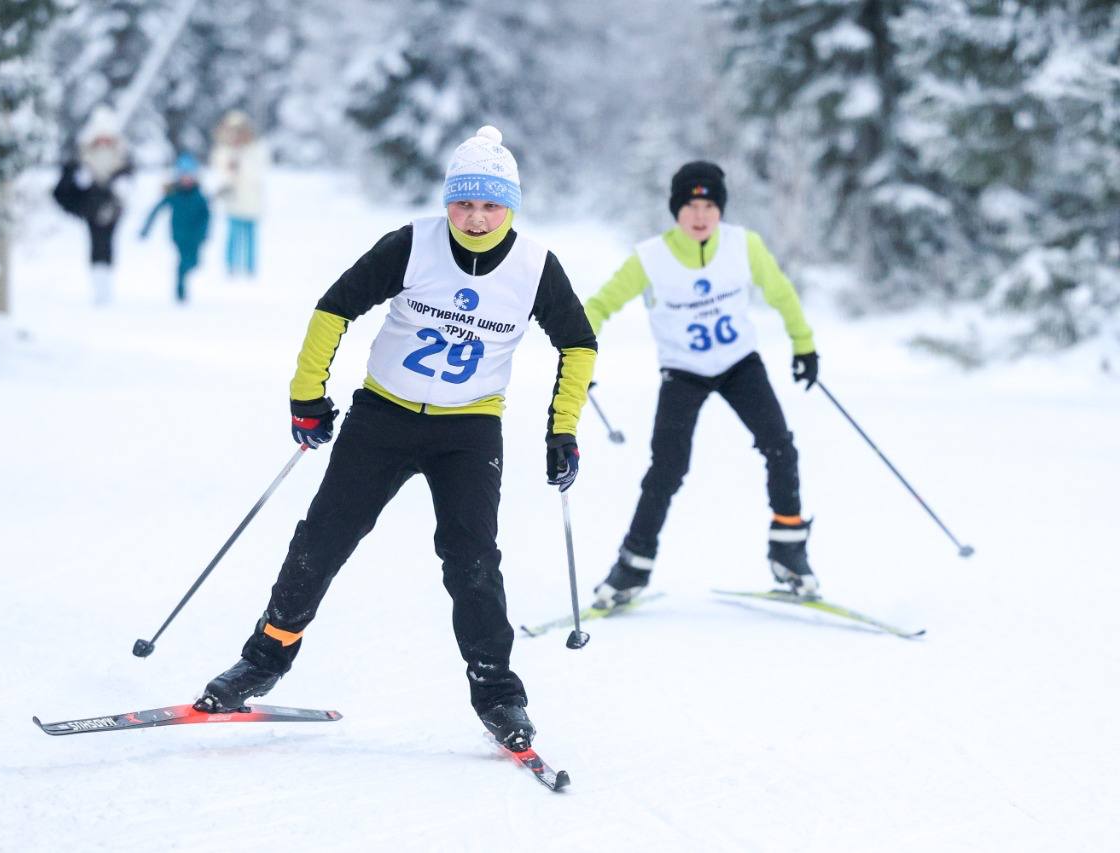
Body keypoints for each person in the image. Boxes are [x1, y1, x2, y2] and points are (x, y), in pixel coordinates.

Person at [194, 126, 597, 751]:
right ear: (447, 202)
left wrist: (562, 429)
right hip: (383, 415)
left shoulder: (535, 266)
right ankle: (265, 658)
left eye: (491, 204)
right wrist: (307, 394)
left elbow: (579, 343)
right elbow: (334, 308)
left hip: (468, 427)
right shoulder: (412, 244)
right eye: (464, 202)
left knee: (472, 561)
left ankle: (499, 693)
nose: (476, 217)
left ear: (510, 206)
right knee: (322, 539)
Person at [586, 161, 821, 606]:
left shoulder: (743, 245)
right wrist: (578, 354)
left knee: (781, 447)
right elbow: (597, 307)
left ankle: (789, 552)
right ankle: (631, 567)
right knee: (668, 469)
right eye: (691, 205)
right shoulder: (649, 258)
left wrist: (804, 345)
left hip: (739, 366)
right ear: (676, 209)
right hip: (683, 373)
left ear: (720, 209)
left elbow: (781, 292)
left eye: (709, 205)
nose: (700, 215)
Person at [52, 105, 131, 305]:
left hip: (112, 206)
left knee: (107, 243)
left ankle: (106, 281)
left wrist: (118, 189)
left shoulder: (120, 155)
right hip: (91, 206)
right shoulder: (84, 155)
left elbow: (126, 179)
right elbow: (71, 183)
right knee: (96, 242)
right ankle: (98, 283)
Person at [139, 153, 211, 303]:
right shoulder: (174, 194)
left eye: (189, 175)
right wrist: (146, 228)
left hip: (195, 235)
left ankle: (183, 277)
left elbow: (206, 216)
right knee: (182, 260)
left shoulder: (199, 196)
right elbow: (156, 210)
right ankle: (180, 289)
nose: (186, 179)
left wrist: (205, 232)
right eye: (183, 176)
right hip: (178, 234)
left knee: (194, 262)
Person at [209, 110, 267, 278]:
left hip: (252, 200)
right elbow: (220, 171)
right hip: (233, 201)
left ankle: (250, 268)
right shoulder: (223, 150)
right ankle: (230, 266)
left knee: (250, 236)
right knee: (233, 235)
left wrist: (241, 166)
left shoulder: (255, 149)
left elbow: (259, 172)